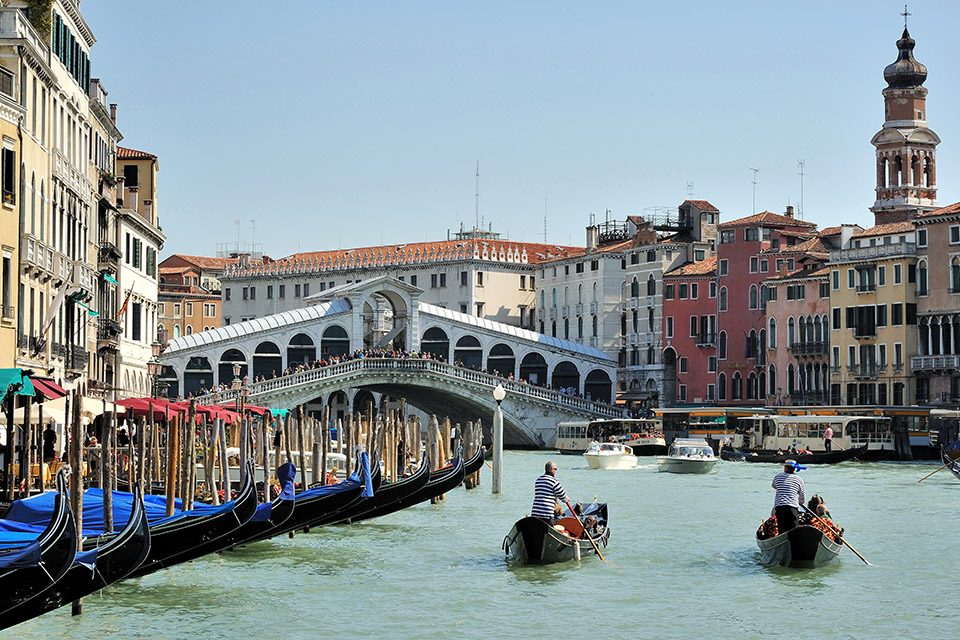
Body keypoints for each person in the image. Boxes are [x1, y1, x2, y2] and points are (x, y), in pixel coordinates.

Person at [771, 459, 806, 532]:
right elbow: (802, 499)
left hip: (780, 507)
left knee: (782, 530)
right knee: (794, 530)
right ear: (794, 469)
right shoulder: (799, 480)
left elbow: (774, 486)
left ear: (785, 468)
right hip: (792, 508)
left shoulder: (777, 477)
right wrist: (798, 501)